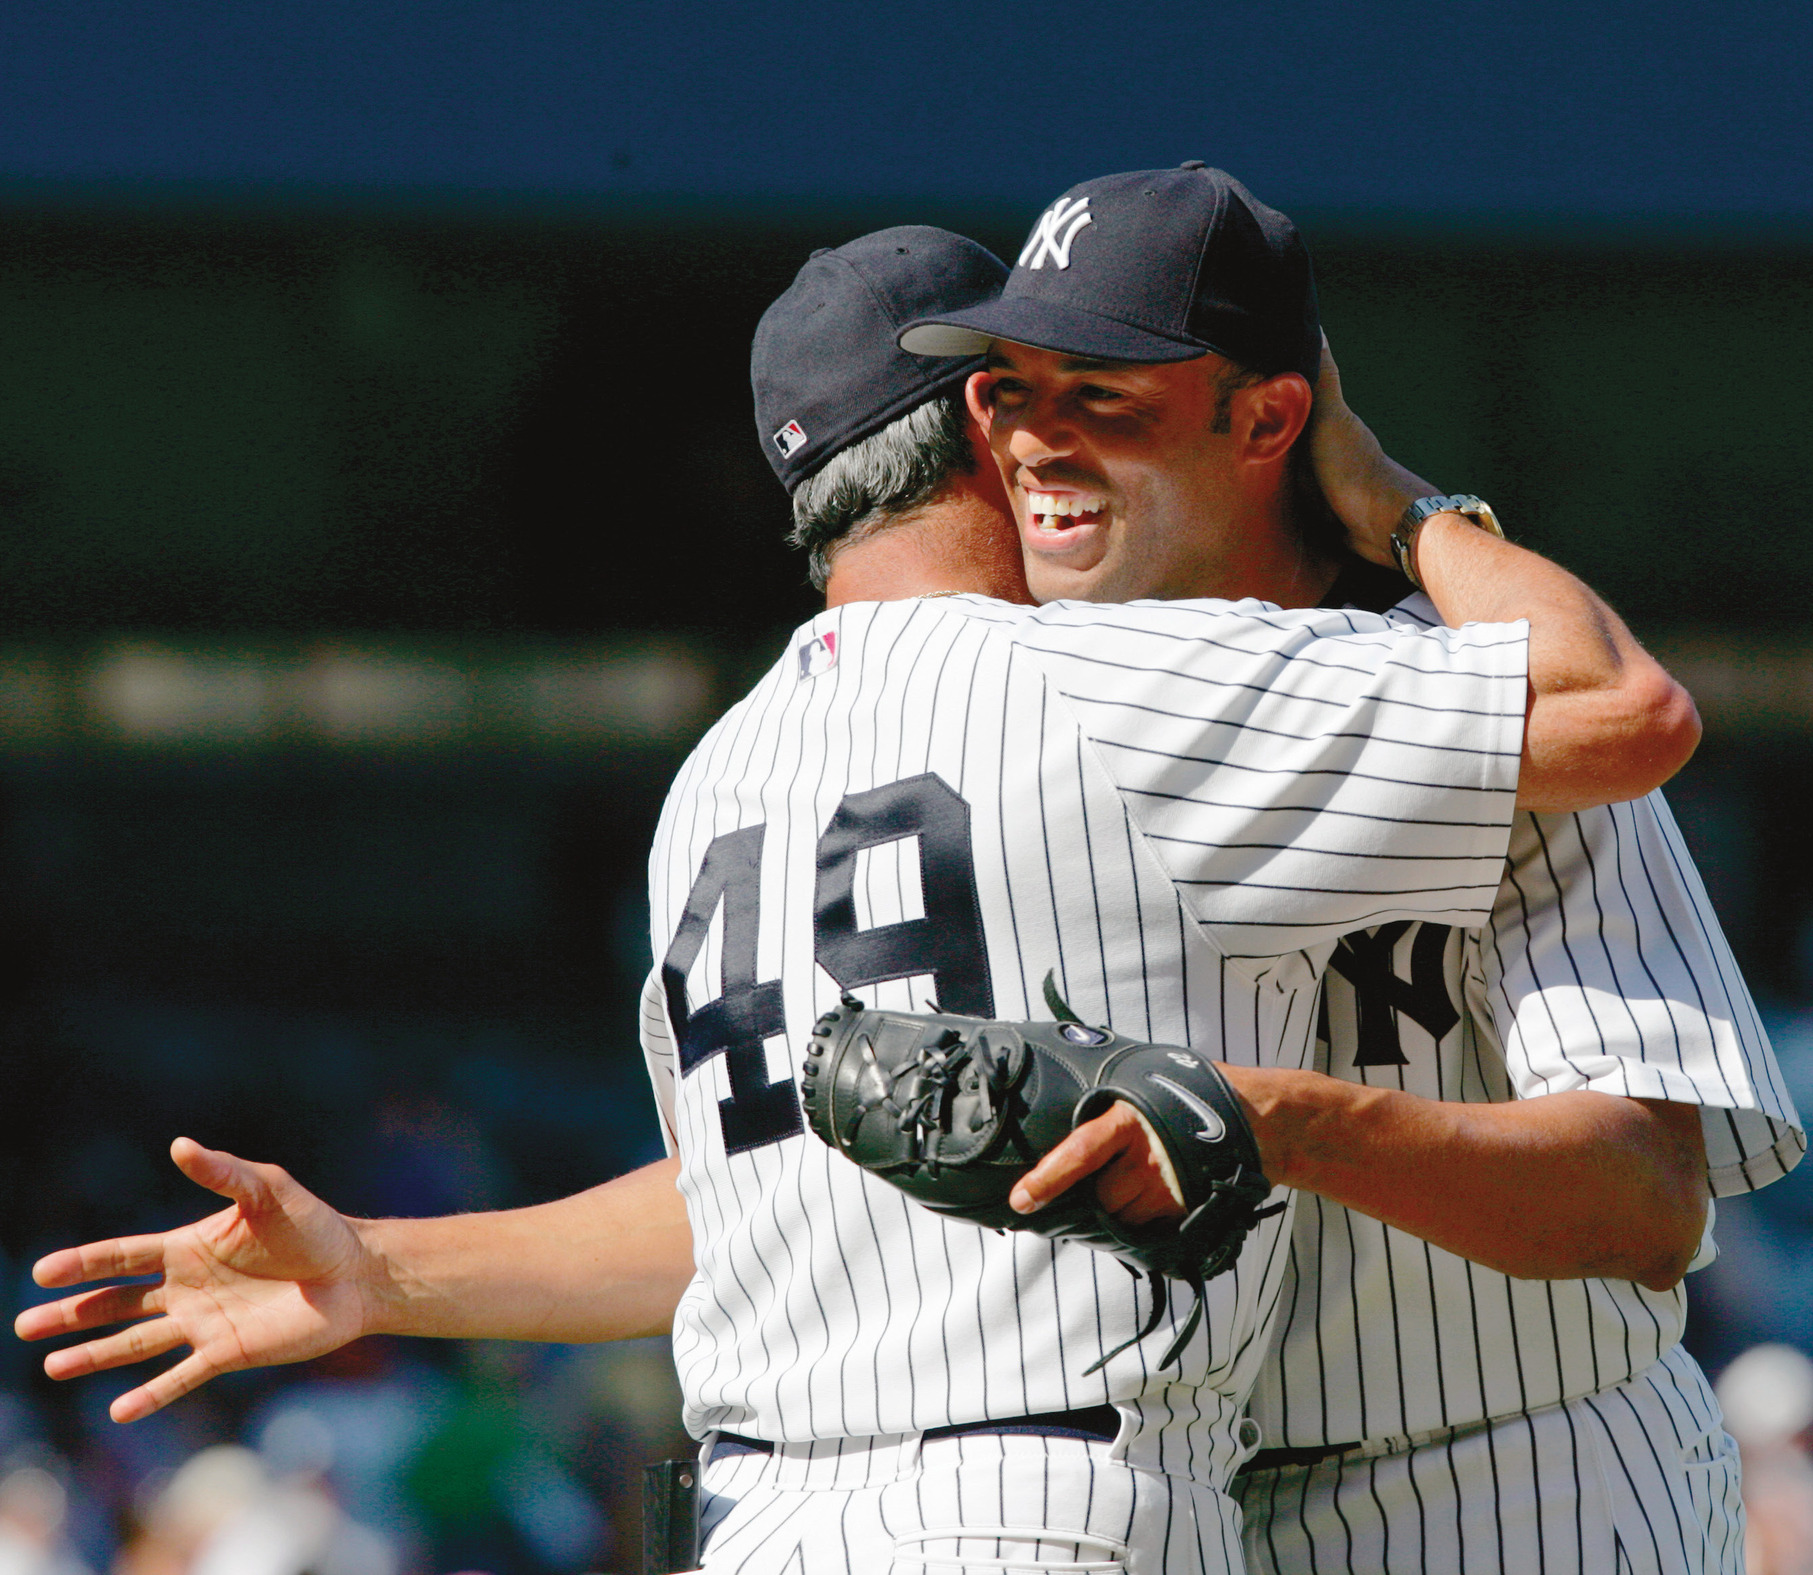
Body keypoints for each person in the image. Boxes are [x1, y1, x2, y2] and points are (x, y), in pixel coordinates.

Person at [16, 221, 1691, 1572]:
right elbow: (1618, 714)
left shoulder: (714, 785)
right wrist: (1394, 498)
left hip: (764, 1524)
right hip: (1040, 1514)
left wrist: (381, 1267)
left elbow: (742, 1205)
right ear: (985, 424)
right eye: (1027, 383)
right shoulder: (1130, 685)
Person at [901, 164, 1804, 1574]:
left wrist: (1397, 503)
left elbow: (1641, 1203)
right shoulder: (993, 725)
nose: (1036, 441)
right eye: (1005, 388)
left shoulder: (1494, 712)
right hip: (1160, 1513)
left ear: (1268, 418)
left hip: (1508, 1479)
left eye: (1105, 392)